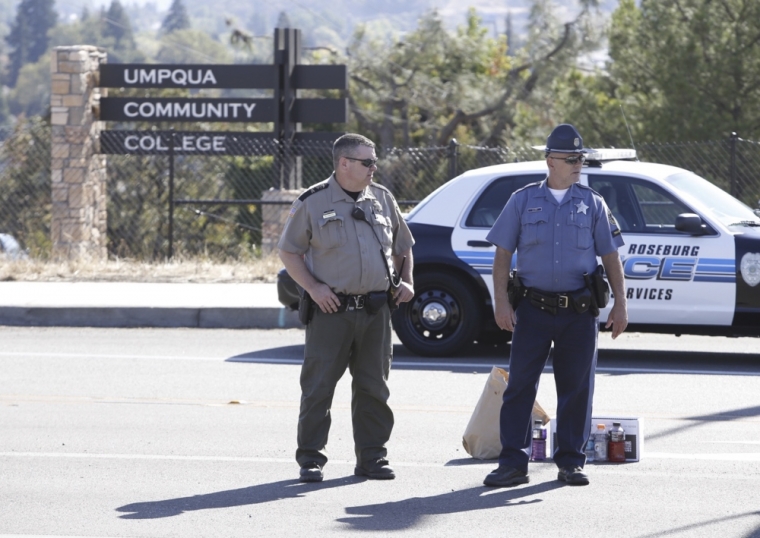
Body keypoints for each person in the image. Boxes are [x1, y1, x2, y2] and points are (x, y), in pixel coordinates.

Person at [482, 124, 628, 487]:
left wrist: (621, 304)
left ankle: (571, 462)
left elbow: (610, 258)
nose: (579, 163)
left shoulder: (592, 202)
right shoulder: (522, 200)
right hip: (532, 309)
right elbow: (502, 255)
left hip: (579, 313)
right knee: (519, 388)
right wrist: (501, 302)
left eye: (581, 158)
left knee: (577, 389)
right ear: (550, 161)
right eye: (572, 158)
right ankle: (512, 464)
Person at [278, 133, 415, 483]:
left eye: (374, 162)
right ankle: (311, 458)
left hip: (375, 311)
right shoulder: (312, 201)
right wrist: (313, 287)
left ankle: (372, 457)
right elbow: (289, 252)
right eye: (367, 162)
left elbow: (403, 245)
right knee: (319, 387)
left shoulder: (382, 199)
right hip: (331, 310)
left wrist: (406, 280)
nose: (374, 168)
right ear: (344, 164)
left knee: (374, 388)